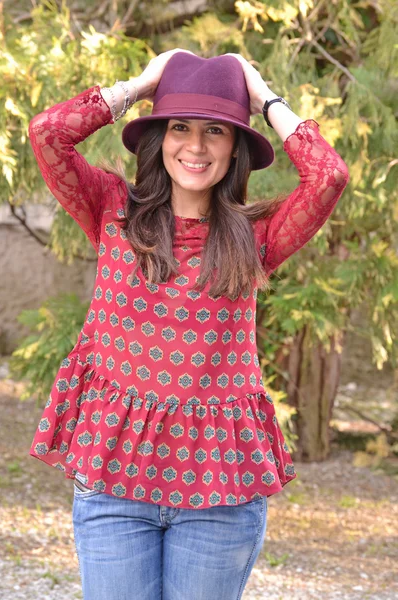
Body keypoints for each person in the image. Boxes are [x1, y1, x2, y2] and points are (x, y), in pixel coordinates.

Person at [28, 48, 349, 600]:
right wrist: (141, 84)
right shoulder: (112, 209)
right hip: (113, 489)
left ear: (236, 148)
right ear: (159, 137)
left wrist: (263, 94)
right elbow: (47, 134)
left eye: (216, 131)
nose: (195, 147)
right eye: (179, 127)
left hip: (219, 498)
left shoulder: (256, 236)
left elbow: (328, 176)